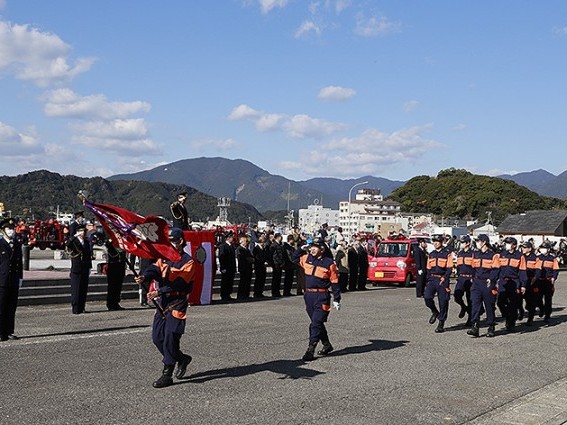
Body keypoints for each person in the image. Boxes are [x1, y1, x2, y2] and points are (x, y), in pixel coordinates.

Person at [134, 228, 195, 388]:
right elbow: (155, 268)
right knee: (157, 338)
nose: (170, 244)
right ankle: (182, 358)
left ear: (180, 241)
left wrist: (159, 291)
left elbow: (180, 282)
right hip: (163, 302)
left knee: (170, 336)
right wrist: (145, 276)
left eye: (172, 241)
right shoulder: (164, 257)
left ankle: (167, 373)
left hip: (177, 302)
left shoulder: (188, 261)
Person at [292, 238, 340, 361]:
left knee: (315, 323)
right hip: (309, 295)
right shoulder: (306, 258)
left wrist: (337, 298)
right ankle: (327, 345)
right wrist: (300, 249)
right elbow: (294, 258)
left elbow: (334, 281)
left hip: (322, 296)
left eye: (315, 247)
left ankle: (310, 349)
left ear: (322, 249)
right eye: (311, 247)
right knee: (316, 322)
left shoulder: (329, 263)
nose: (312, 249)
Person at [467, 234, 500, 338]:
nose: (476, 243)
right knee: (475, 304)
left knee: (489, 305)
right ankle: (475, 326)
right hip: (477, 283)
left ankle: (491, 326)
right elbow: (472, 268)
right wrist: (472, 277)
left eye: (478, 241)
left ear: (484, 242)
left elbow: (496, 269)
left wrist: (492, 279)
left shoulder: (493, 255)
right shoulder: (475, 254)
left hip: (487, 283)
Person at [423, 234, 453, 333]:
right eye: (434, 242)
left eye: (437, 242)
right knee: (427, 297)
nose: (435, 243)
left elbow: (449, 268)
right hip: (432, 279)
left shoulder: (447, 254)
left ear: (441, 242)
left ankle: (441, 323)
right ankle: (435, 312)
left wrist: (445, 278)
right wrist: (427, 281)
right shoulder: (431, 254)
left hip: (442, 280)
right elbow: (428, 269)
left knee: (443, 302)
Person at [0, 218, 23, 341]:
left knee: (11, 307)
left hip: (13, 279)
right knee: (1, 307)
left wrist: (20, 277)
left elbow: (19, 263)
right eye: (9, 228)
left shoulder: (17, 245)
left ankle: (9, 331)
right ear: (3, 230)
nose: (11, 231)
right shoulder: (0, 244)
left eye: (12, 228)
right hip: (2, 280)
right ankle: (0, 332)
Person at [65, 224, 92, 314]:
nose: (83, 233)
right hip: (76, 269)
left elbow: (88, 255)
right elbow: (67, 244)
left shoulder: (86, 242)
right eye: (82, 232)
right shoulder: (74, 241)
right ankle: (75, 308)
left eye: (84, 232)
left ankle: (82, 307)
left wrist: (89, 267)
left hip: (85, 268)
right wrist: (74, 236)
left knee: (83, 289)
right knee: (76, 290)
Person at [537, 242, 560, 324]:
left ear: (548, 249)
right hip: (539, 281)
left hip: (548, 281)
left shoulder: (552, 259)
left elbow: (556, 270)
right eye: (541, 248)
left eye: (544, 248)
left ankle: (547, 315)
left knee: (548, 299)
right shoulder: (538, 258)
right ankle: (541, 309)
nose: (542, 249)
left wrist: (553, 278)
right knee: (538, 298)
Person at [454, 235, 474, 325]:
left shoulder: (473, 254)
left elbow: (475, 267)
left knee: (470, 299)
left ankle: (470, 318)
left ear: (468, 243)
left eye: (463, 242)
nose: (461, 244)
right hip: (461, 278)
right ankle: (464, 307)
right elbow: (458, 266)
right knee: (457, 296)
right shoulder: (460, 253)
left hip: (470, 278)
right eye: (460, 242)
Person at [519, 241, 541, 326]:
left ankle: (530, 319)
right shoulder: (520, 257)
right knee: (518, 300)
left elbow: (538, 272)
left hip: (531, 282)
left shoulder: (535, 258)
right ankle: (521, 311)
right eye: (522, 247)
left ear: (530, 249)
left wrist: (533, 281)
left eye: (525, 247)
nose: (523, 249)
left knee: (530, 302)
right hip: (521, 281)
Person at [105, 239, 126, 311]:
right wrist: (111, 240)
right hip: (113, 266)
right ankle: (110, 304)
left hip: (120, 266)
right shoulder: (111, 242)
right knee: (112, 287)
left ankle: (116, 303)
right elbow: (108, 245)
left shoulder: (122, 243)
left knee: (118, 286)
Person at [218, 231, 236, 301]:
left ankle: (228, 294)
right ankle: (224, 295)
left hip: (231, 267)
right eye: (231, 237)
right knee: (225, 281)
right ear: (228, 238)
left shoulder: (231, 246)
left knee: (230, 281)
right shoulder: (223, 246)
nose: (232, 238)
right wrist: (223, 267)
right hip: (226, 267)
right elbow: (221, 257)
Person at [236, 236, 253, 300]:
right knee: (243, 282)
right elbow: (240, 258)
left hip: (248, 267)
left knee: (248, 281)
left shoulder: (247, 249)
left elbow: (251, 256)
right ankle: (241, 295)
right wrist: (248, 259)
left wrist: (251, 259)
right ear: (242, 242)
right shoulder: (239, 249)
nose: (246, 243)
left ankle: (246, 294)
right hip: (243, 267)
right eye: (245, 241)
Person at [269, 233, 285, 298]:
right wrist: (275, 262)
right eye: (280, 237)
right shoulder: (273, 245)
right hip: (276, 264)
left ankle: (277, 291)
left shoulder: (280, 245)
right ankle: (274, 292)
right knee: (275, 278)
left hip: (280, 263)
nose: (281, 238)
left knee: (278, 278)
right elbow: (273, 255)